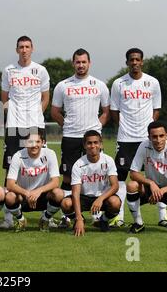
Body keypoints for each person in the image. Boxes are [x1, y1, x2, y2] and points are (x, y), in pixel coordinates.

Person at [51, 48, 110, 228]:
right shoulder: (63, 85)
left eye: (84, 62)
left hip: (92, 139)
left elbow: (106, 111)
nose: (81, 65)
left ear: (89, 63)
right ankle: (67, 216)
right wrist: (68, 125)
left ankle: (95, 215)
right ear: (73, 63)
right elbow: (54, 111)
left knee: (95, 176)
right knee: (69, 178)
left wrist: (96, 128)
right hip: (71, 138)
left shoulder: (99, 85)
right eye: (78, 62)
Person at [110, 48, 167, 227]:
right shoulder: (118, 83)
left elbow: (156, 109)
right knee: (121, 177)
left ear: (142, 62)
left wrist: (148, 128)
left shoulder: (152, 82)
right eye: (131, 60)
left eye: (137, 59)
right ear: (127, 62)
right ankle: (119, 215)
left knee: (158, 175)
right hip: (125, 139)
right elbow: (114, 111)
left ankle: (162, 215)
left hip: (146, 139)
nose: (134, 62)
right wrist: (125, 127)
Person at [0, 35, 50, 229]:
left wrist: (36, 114)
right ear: (16, 49)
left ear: (32, 49)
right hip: (14, 126)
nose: (24, 50)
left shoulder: (41, 70)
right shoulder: (8, 70)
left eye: (27, 47)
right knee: (10, 168)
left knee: (42, 166)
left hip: (35, 126)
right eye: (21, 47)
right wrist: (13, 115)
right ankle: (8, 217)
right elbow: (5, 98)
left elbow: (45, 97)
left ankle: (47, 213)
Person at [126, 121, 167, 233]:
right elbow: (133, 173)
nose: (158, 140)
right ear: (149, 137)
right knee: (132, 185)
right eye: (154, 136)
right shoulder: (144, 146)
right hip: (150, 189)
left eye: (161, 136)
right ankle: (138, 223)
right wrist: (151, 184)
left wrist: (162, 190)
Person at [61, 130, 121, 236]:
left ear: (101, 144)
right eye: (89, 143)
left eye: (96, 142)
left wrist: (100, 199)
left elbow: (115, 185)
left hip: (103, 197)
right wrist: (78, 218)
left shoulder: (108, 160)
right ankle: (80, 220)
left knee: (115, 203)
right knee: (66, 204)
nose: (93, 146)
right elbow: (75, 193)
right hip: (84, 197)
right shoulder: (78, 164)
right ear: (84, 145)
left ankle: (103, 220)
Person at [4, 128, 63, 232]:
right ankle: (21, 220)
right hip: (24, 196)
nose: (34, 145)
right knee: (9, 197)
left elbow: (55, 182)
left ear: (43, 143)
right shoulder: (18, 156)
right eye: (30, 141)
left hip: (43, 196)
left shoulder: (50, 154)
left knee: (59, 193)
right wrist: (27, 193)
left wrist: (39, 191)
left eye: (38, 141)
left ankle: (45, 219)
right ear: (25, 143)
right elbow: (10, 184)